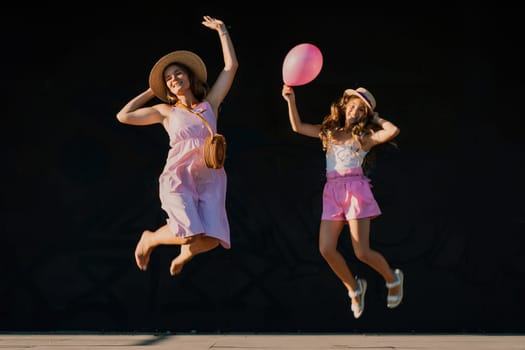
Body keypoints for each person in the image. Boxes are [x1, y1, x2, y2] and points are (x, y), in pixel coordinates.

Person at [116, 15, 238, 276]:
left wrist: (222, 31)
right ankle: (150, 238)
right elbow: (123, 116)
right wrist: (153, 89)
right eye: (168, 78)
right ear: (167, 88)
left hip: (211, 176)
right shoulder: (165, 111)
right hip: (179, 176)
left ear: (189, 77)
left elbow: (231, 66)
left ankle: (185, 255)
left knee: (213, 238)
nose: (173, 78)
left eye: (178, 73)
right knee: (186, 233)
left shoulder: (210, 105)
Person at [281, 85, 404, 318]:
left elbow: (393, 130)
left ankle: (392, 278)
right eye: (353, 106)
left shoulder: (364, 138)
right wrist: (290, 100)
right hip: (333, 191)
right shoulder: (329, 131)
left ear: (364, 116)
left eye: (361, 110)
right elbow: (298, 127)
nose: (355, 112)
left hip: (356, 190)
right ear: (344, 105)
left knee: (362, 252)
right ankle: (354, 288)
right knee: (326, 248)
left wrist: (376, 118)